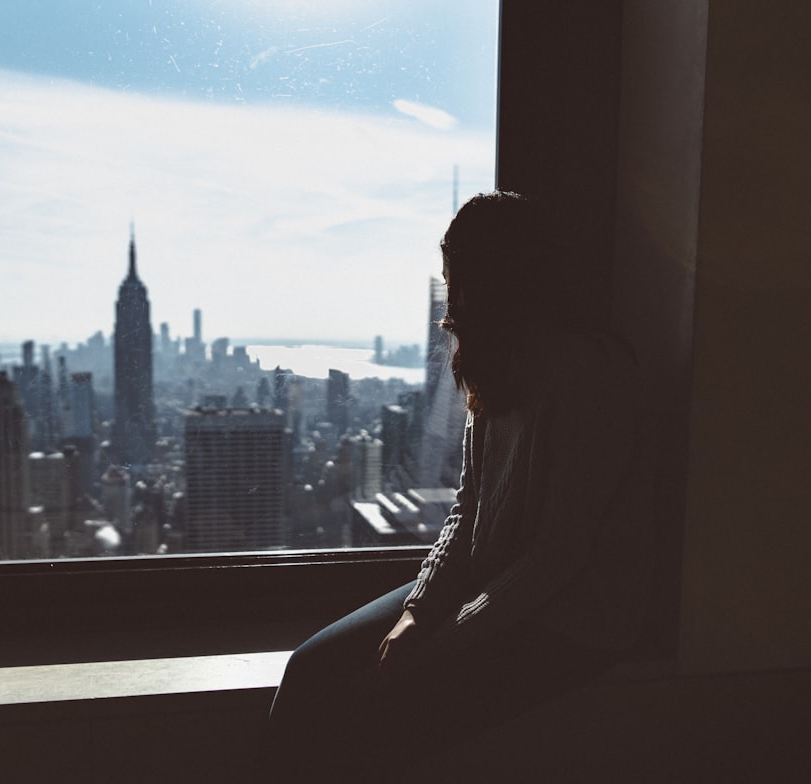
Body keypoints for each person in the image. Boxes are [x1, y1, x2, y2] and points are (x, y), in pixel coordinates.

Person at [265, 191, 653, 781]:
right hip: (490, 583)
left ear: (505, 278)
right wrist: (419, 613)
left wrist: (447, 640)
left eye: (462, 279)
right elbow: (468, 508)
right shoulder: (498, 361)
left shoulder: (589, 373)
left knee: (368, 721)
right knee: (308, 670)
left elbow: (559, 554)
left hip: (568, 618)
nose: (453, 300)